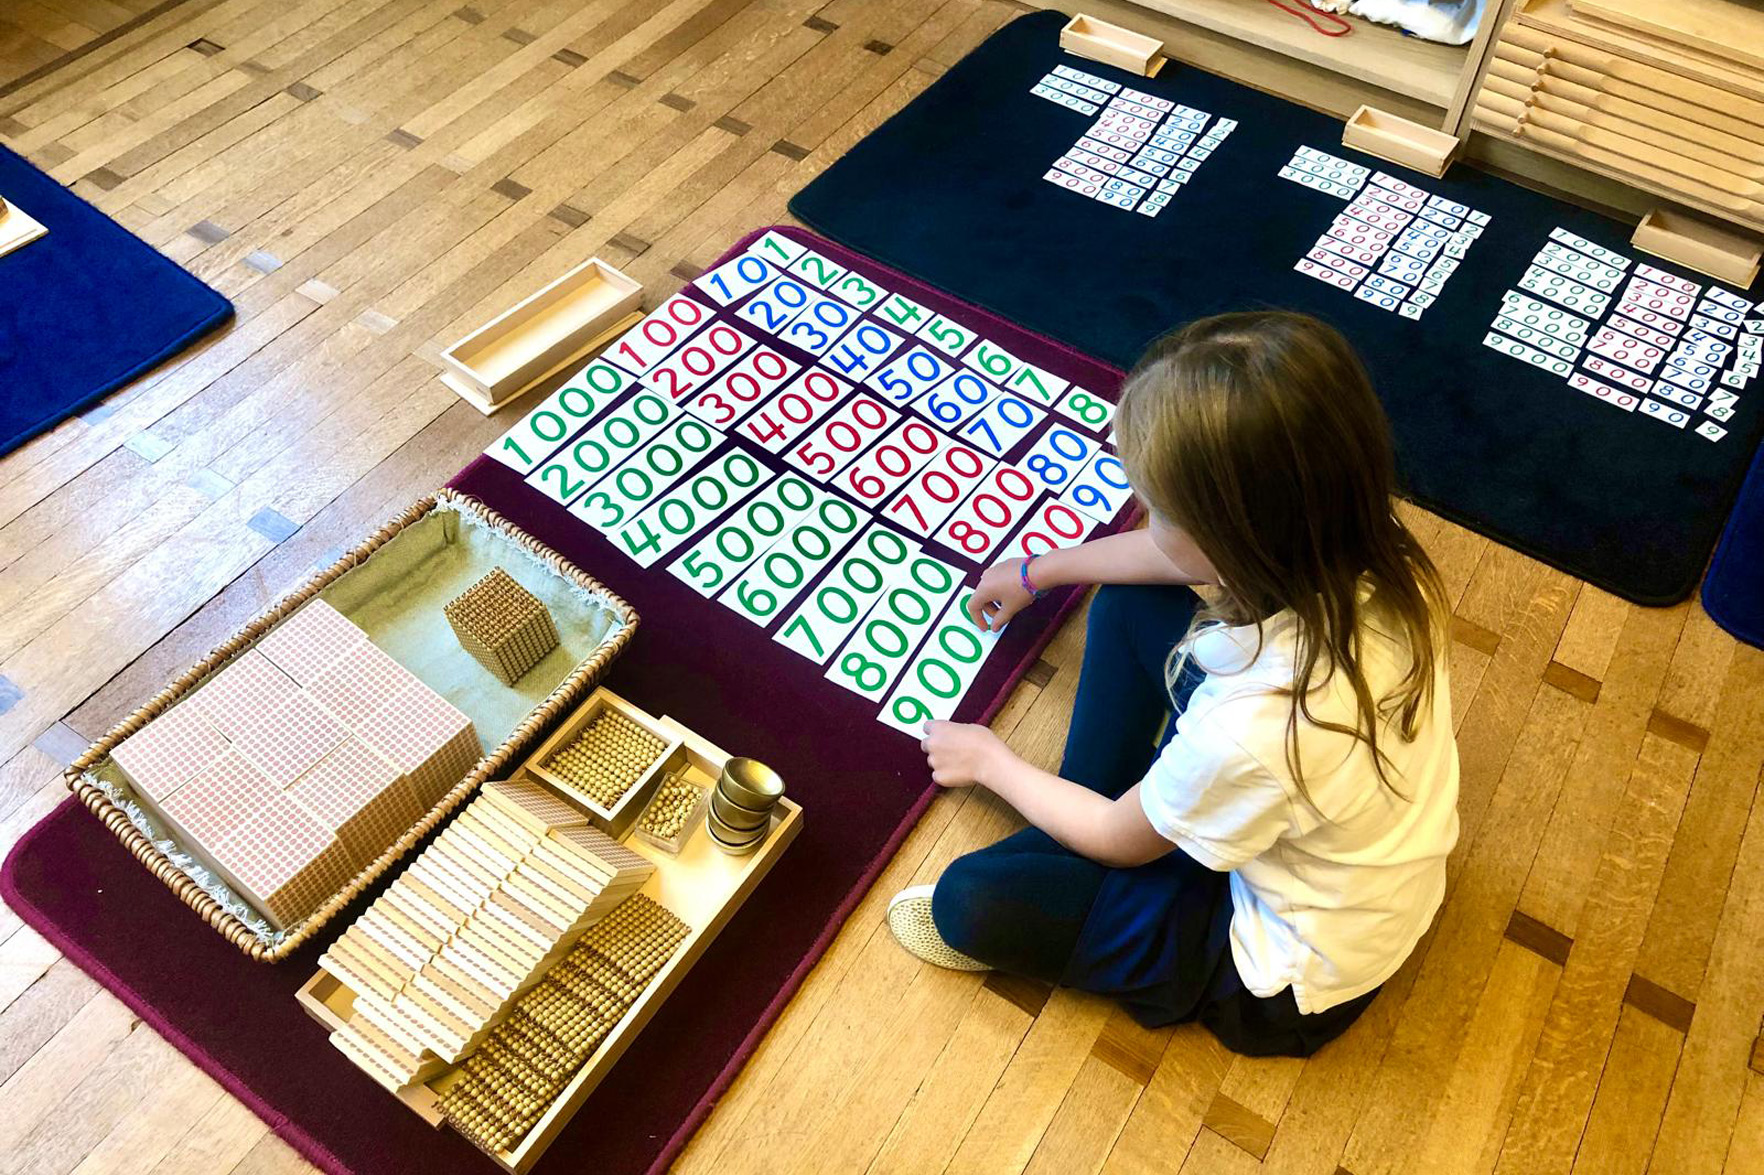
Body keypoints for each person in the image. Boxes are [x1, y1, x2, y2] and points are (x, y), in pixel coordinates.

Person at [885, 311, 1460, 1057]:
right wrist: (1042, 569)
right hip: (1352, 875)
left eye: (1157, 510)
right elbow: (1177, 561)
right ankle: (1096, 805)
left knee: (973, 901)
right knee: (1128, 600)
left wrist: (990, 760)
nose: (1146, 518)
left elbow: (1121, 844)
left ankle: (1083, 827)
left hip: (1281, 984)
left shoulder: (1256, 728)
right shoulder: (1367, 545)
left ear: (1228, 537)